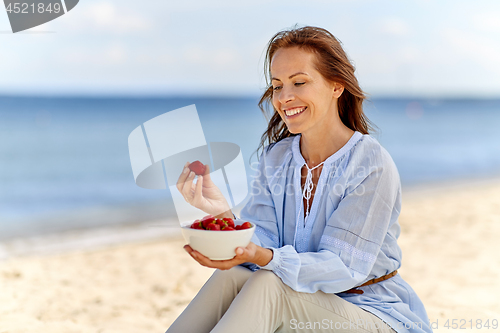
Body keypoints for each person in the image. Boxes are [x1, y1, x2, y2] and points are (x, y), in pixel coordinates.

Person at [167, 25, 432, 333]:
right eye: (277, 86)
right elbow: (261, 245)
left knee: (269, 283)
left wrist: (266, 258)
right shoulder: (277, 158)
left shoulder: (369, 163)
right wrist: (222, 216)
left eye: (299, 82)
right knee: (231, 276)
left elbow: (342, 267)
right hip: (304, 302)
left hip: (373, 312)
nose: (284, 97)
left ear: (336, 86)